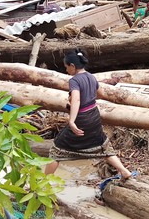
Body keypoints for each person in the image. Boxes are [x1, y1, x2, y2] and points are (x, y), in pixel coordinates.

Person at [45, 48, 134, 182]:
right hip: (94, 115)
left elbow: (76, 99)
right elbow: (98, 93)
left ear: (73, 66)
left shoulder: (74, 80)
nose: (66, 70)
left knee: (56, 151)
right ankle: (124, 171)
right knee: (103, 146)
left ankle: (42, 183)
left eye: (66, 67)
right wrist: (89, 98)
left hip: (82, 118)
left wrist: (72, 121)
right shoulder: (91, 77)